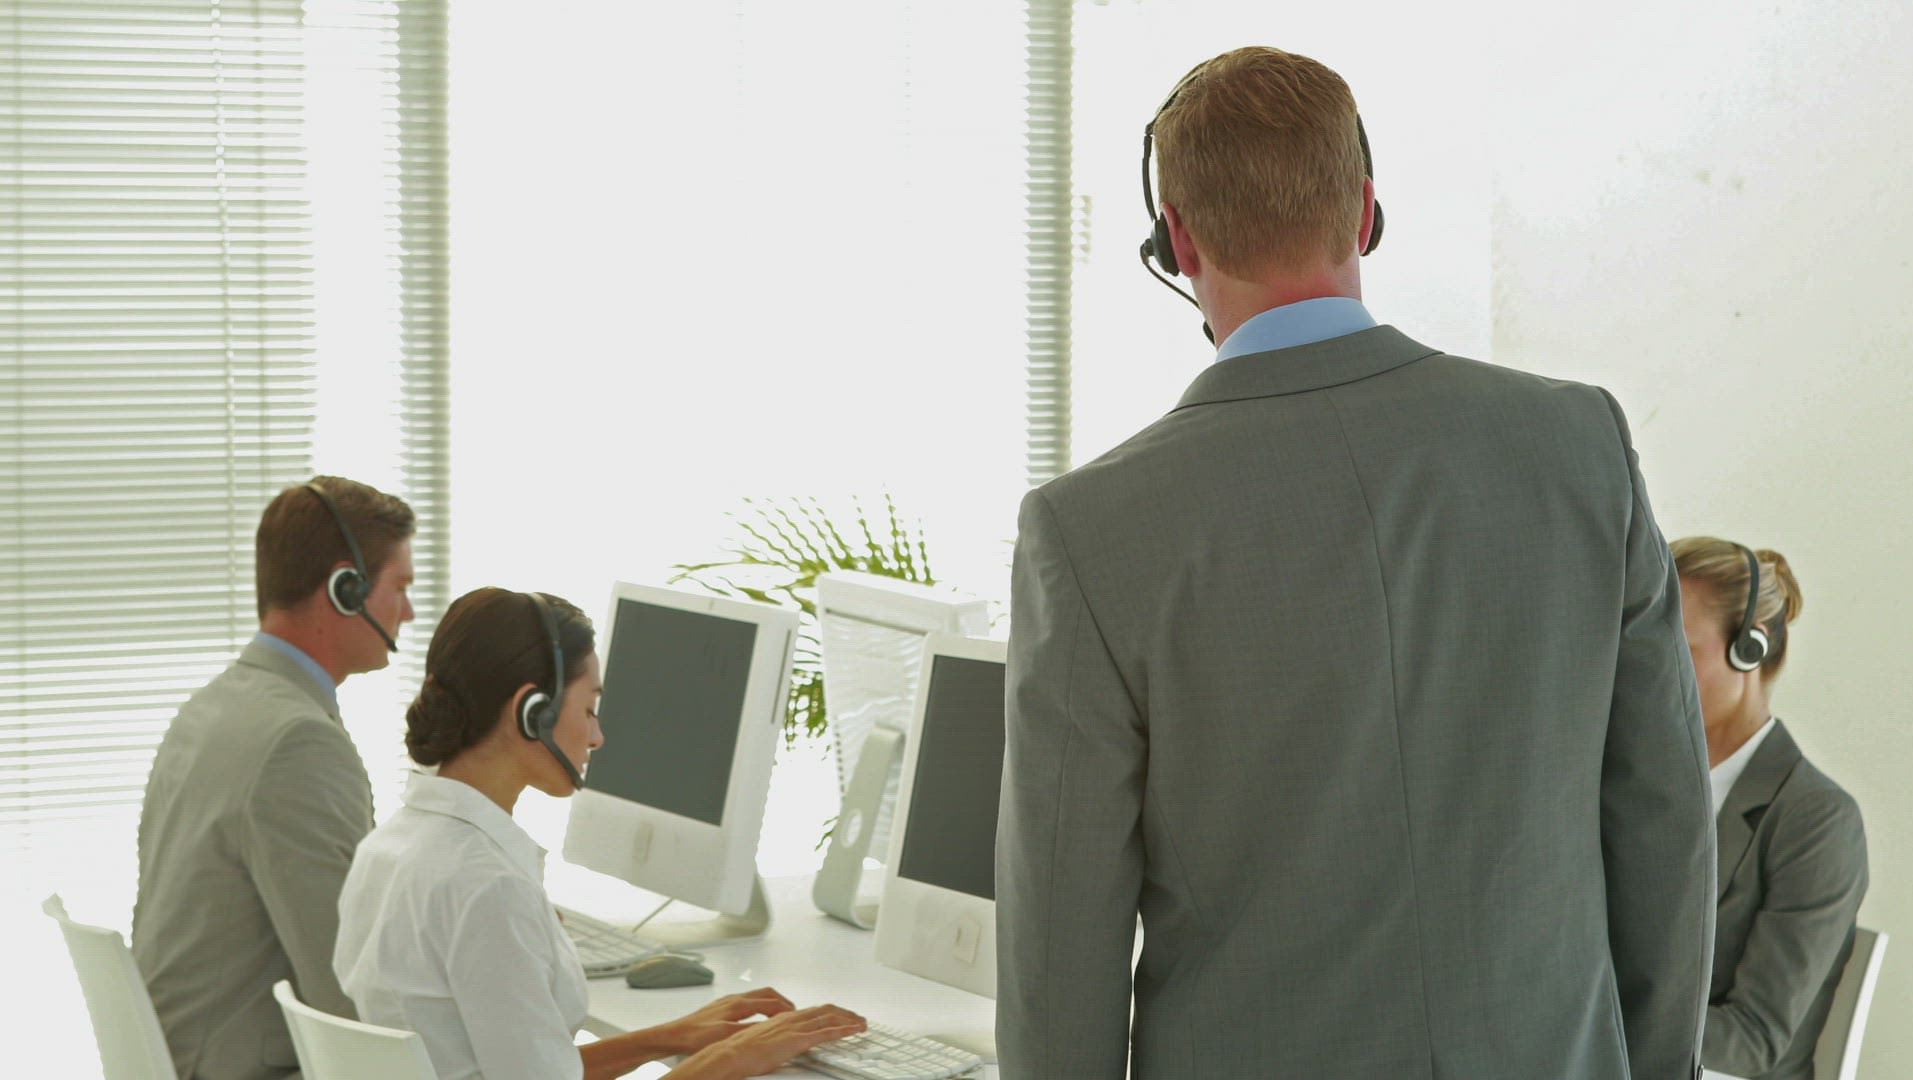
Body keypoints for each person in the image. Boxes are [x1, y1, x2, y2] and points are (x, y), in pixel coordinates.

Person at [996, 46, 1715, 1080]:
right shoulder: (1579, 445)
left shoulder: (1089, 531)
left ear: (1179, 241)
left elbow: (1061, 955)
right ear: (1367, 210)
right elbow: (1663, 828)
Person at [334, 587, 865, 1079]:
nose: (597, 736)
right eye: (589, 709)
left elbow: (520, 1067)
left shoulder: (389, 848)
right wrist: (731, 1059)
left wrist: (670, 1037)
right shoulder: (488, 887)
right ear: (531, 712)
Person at [132, 475, 416, 1079]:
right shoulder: (297, 742)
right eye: (400, 588)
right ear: (345, 589)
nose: (410, 612)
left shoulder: (212, 708)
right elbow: (347, 995)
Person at [1671, 538, 1868, 1080]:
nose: (1648, 669)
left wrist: (1592, 1012)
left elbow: (1753, 1041)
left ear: (1749, 651)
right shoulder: (1635, 788)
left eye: (1678, 648)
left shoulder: (1817, 820)